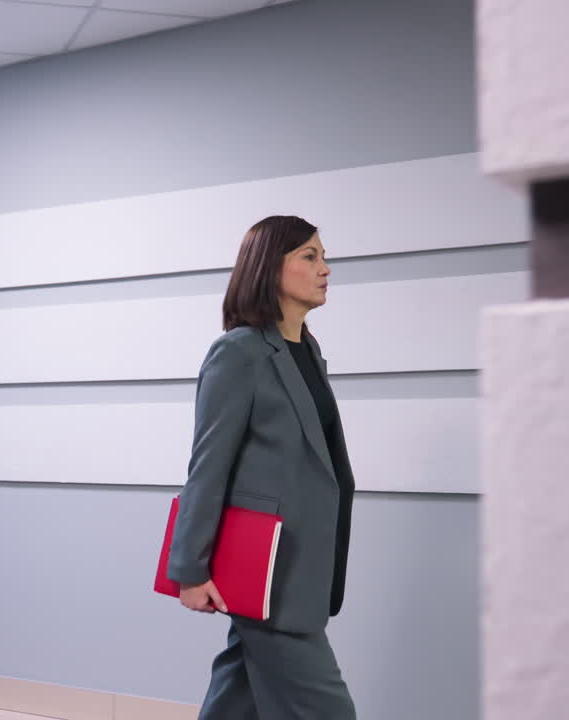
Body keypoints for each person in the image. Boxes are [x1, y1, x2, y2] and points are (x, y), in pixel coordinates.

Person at [167, 215, 356, 719]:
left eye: (323, 256)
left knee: (236, 703)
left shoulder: (306, 351)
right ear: (272, 268)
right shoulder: (239, 352)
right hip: (269, 574)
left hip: (295, 570)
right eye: (309, 257)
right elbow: (209, 465)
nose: (325, 269)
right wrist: (188, 569)